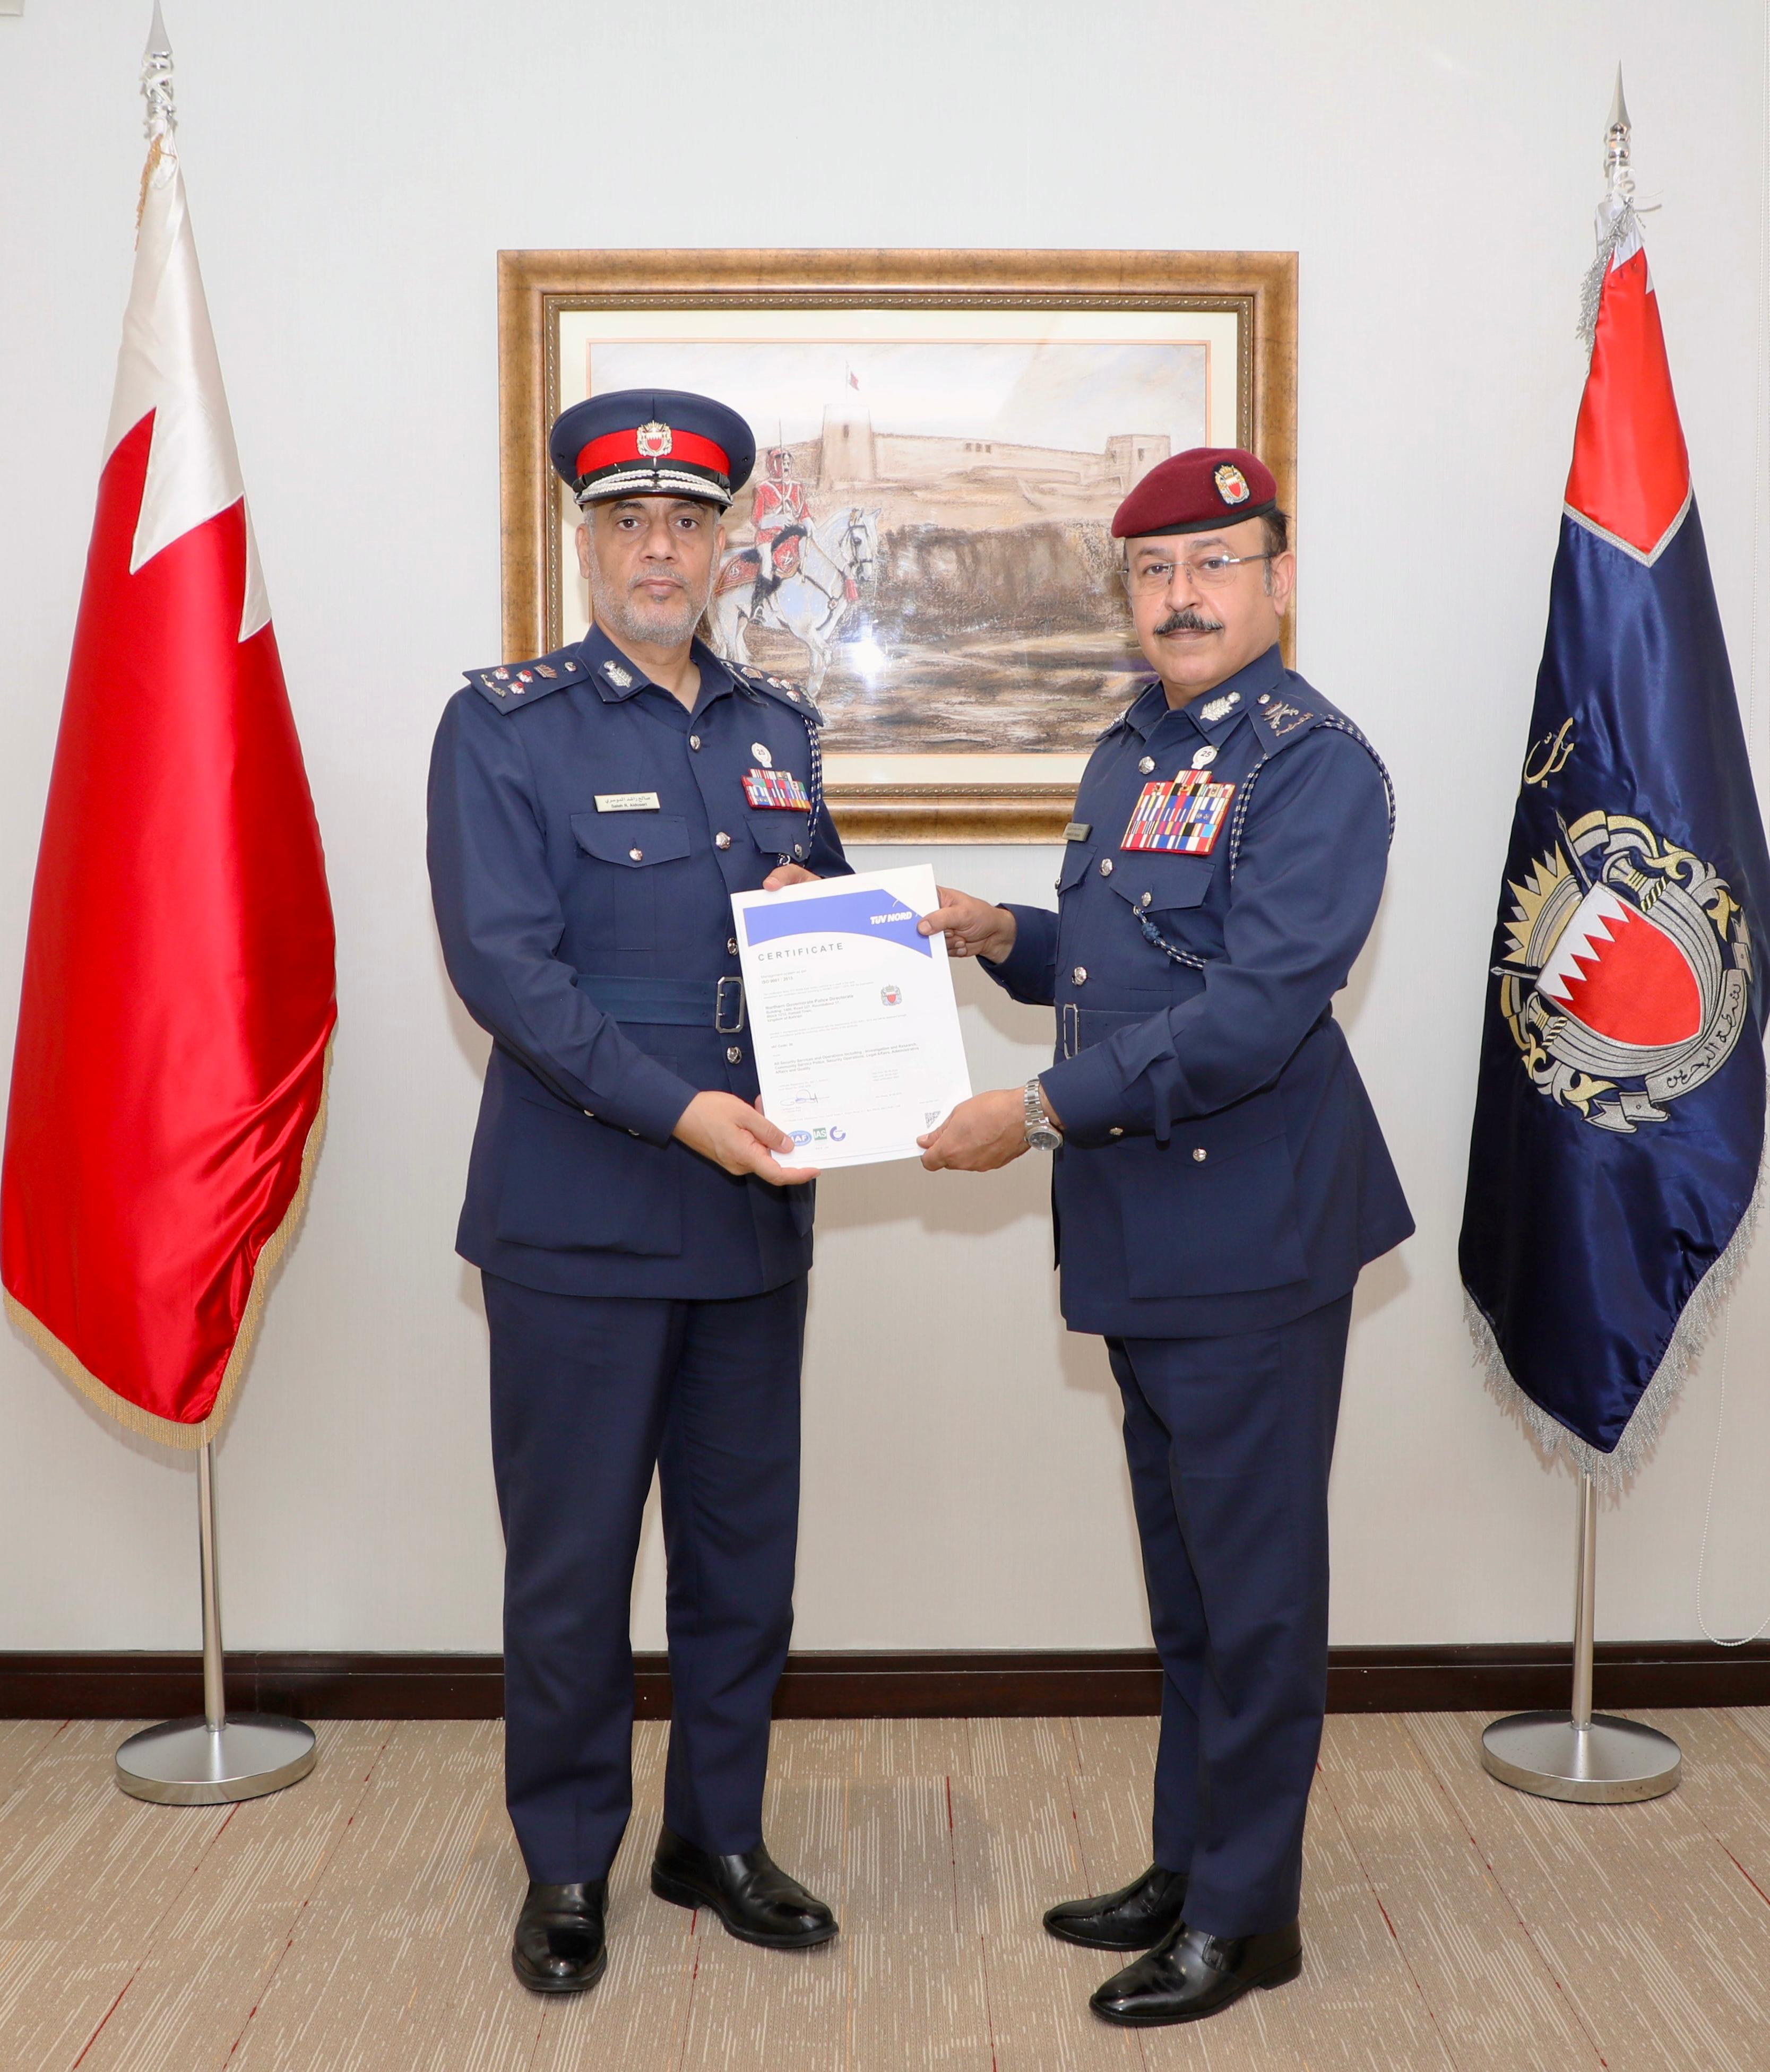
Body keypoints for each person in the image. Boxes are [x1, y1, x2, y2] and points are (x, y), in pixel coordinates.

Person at [917, 447, 1412, 2028]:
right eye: (1154, 570)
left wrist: (1034, 1111)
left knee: (1254, 1593)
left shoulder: (1315, 766)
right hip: (1147, 1224)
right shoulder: (1135, 745)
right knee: (1192, 1584)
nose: (1183, 595)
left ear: (1278, 580)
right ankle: (1191, 1863)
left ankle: (1248, 1918)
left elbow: (1252, 1011)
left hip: (1251, 1229)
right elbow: (1125, 961)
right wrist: (1002, 934)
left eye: (1215, 562)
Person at [428, 389, 849, 1996]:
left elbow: (821, 938)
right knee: (573, 1566)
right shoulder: (504, 727)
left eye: (686, 522)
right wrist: (682, 1111)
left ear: (726, 543)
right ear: (587, 541)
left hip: (748, 1219)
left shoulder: (775, 729)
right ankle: (565, 1861)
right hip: (579, 1218)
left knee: (745, 1560)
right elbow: (507, 975)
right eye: (628, 522)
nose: (658, 548)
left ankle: (715, 1835)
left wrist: (829, 913)